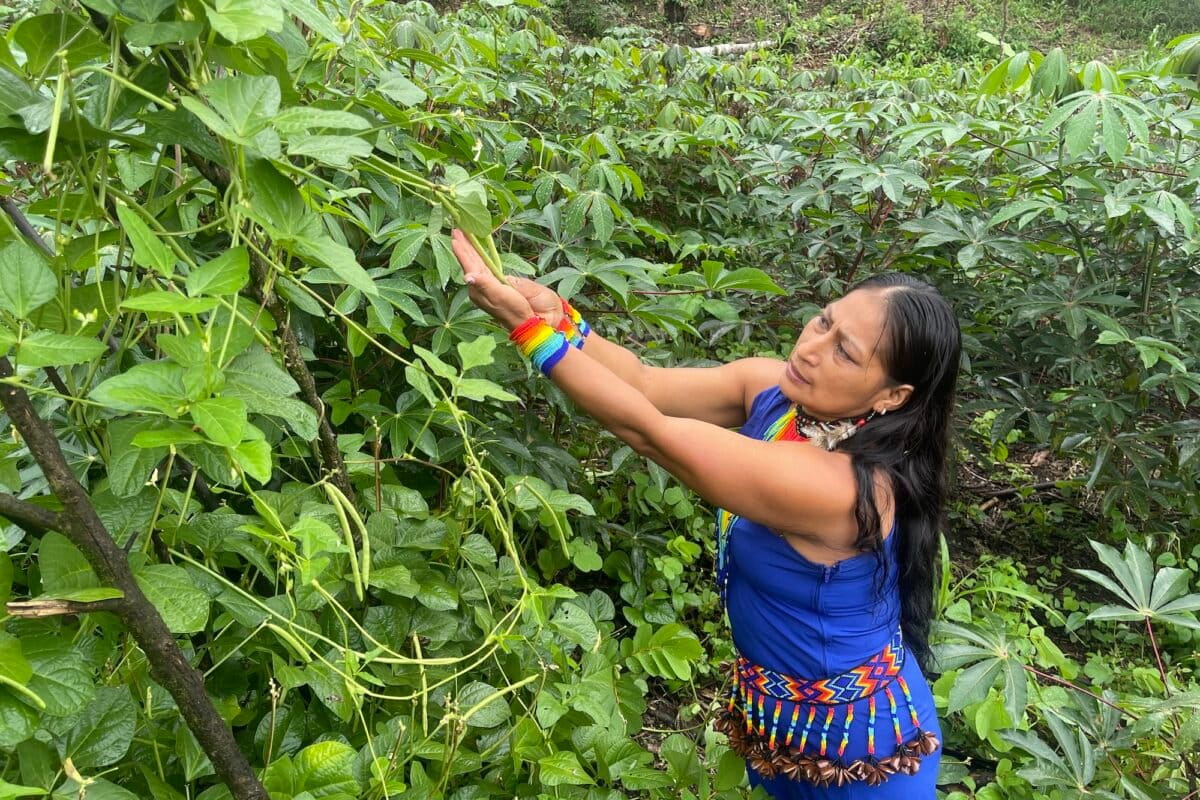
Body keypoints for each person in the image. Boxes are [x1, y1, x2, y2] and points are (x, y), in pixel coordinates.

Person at [450, 228, 961, 798]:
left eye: (845, 351)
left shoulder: (845, 488)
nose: (811, 348)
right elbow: (645, 384)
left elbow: (651, 432)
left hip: (862, 755)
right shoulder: (775, 393)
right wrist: (559, 317)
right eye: (824, 320)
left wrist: (526, 332)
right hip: (778, 731)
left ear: (891, 396)